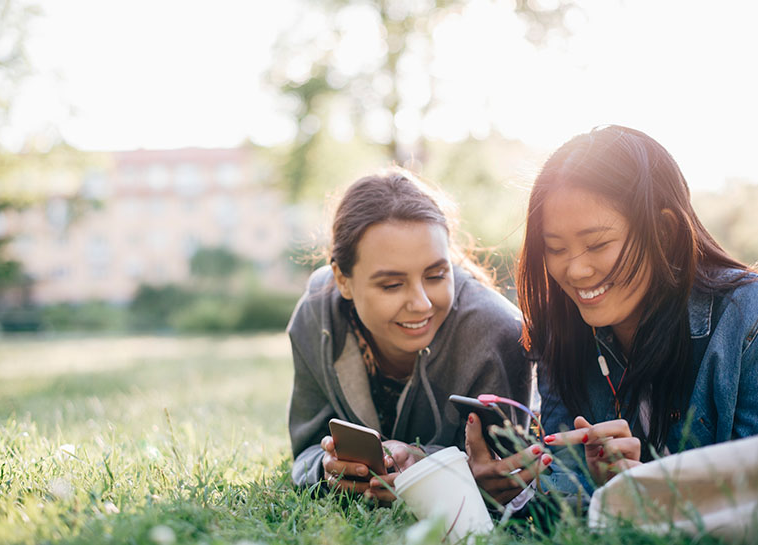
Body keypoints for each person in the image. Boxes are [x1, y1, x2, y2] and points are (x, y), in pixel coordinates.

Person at [514, 125, 758, 500]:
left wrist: (653, 492)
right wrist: (511, 484)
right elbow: (561, 483)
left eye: (597, 244)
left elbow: (748, 501)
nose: (575, 271)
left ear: (663, 231)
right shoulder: (560, 329)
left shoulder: (746, 322)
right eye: (556, 249)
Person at [287, 168, 544, 504]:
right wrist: (327, 467)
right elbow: (306, 450)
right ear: (342, 279)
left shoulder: (497, 333)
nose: (421, 304)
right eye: (392, 284)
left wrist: (434, 467)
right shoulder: (316, 317)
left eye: (437, 274)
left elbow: (512, 471)